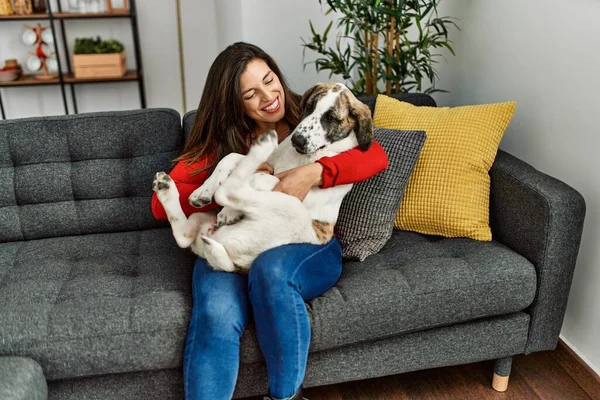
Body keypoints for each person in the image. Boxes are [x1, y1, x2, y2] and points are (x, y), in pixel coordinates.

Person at [151, 42, 389, 400]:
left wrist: (316, 171)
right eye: (251, 93)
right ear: (234, 103)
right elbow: (159, 204)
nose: (268, 96)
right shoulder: (220, 142)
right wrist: (231, 182)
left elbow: (376, 155)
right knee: (215, 311)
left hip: (307, 242)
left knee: (271, 272)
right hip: (240, 235)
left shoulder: (309, 112)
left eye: (269, 79)